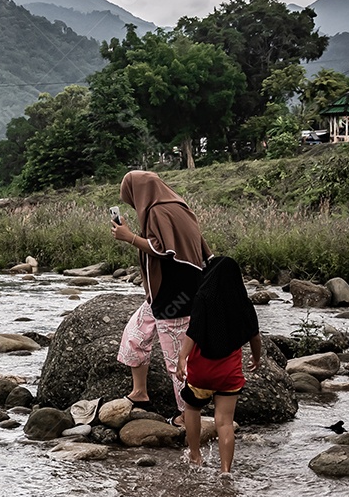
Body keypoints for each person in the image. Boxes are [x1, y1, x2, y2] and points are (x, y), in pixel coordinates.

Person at [112, 170, 211, 425]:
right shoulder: (179, 206)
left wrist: (129, 237)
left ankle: (187, 414)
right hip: (165, 293)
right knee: (135, 336)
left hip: (175, 294)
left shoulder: (159, 210)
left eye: (132, 199)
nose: (134, 205)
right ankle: (140, 392)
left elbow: (164, 250)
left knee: (176, 357)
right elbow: (201, 248)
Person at [175, 256, 262, 475]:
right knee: (224, 422)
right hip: (228, 373)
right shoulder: (242, 301)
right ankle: (225, 471)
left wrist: (182, 358)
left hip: (202, 370)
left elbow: (193, 332)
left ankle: (195, 456)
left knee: (192, 408)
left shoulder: (203, 297)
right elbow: (255, 336)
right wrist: (256, 357)